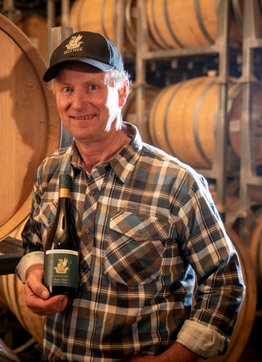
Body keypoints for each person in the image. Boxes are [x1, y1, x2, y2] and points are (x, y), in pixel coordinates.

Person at [16, 30, 245, 361]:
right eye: (67, 89)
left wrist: (176, 358)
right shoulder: (49, 172)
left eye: (92, 87)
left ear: (121, 92)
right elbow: (33, 245)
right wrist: (34, 273)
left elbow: (225, 283)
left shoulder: (177, 183)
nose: (76, 103)